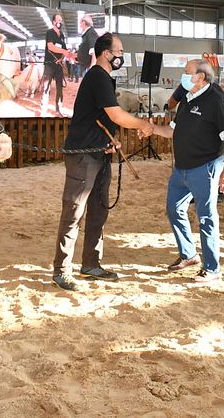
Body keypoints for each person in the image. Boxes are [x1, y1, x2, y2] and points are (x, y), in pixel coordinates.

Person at [51, 33, 154, 291]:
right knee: (74, 212)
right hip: (83, 156)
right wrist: (143, 124)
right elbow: (116, 115)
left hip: (100, 153)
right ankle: (62, 271)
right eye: (119, 52)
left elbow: (103, 119)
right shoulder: (97, 76)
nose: (121, 56)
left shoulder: (104, 78)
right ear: (106, 54)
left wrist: (110, 140)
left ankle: (91, 264)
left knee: (98, 211)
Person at [152, 59, 224, 284]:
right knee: (174, 209)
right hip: (181, 169)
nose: (183, 76)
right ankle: (188, 254)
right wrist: (151, 128)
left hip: (205, 167)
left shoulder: (215, 99)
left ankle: (212, 269)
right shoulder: (187, 98)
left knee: (206, 217)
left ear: (200, 77)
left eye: (187, 72)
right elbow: (172, 131)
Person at [40, 12, 73, 117]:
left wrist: (61, 58)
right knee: (46, 88)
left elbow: (64, 49)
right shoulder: (49, 32)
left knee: (59, 88)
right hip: (49, 65)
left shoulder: (62, 35)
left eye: (61, 21)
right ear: (53, 22)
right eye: (58, 20)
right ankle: (43, 110)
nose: (60, 22)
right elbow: (50, 47)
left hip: (58, 65)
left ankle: (59, 109)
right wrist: (64, 52)